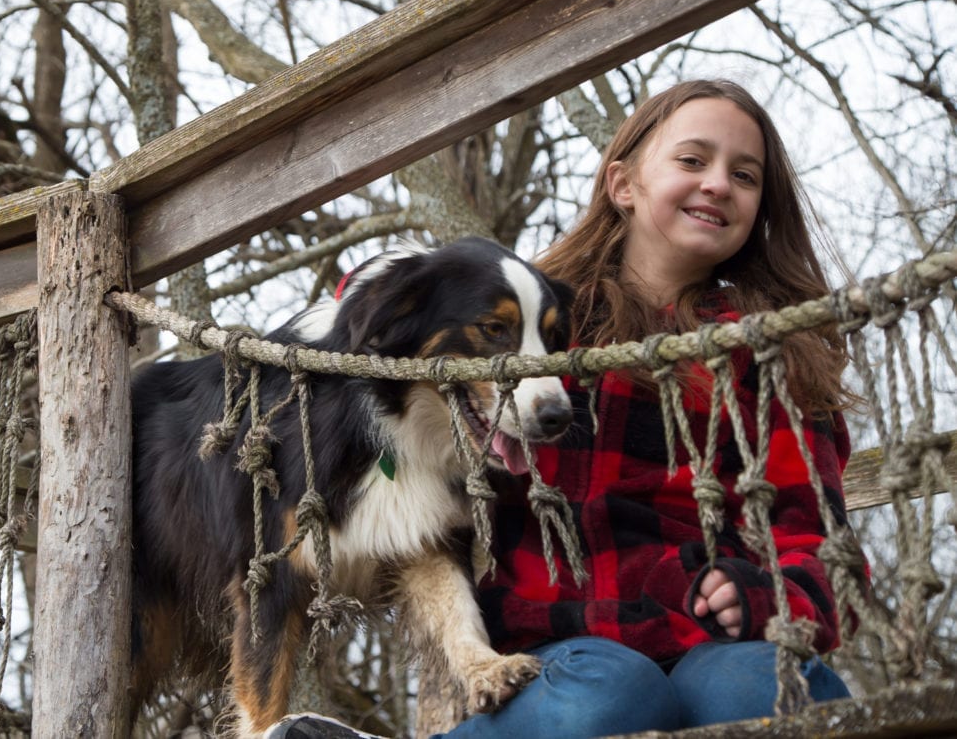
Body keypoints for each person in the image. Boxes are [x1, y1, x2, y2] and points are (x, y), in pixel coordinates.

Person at [268, 79, 861, 739]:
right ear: (623, 184)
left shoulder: (772, 354)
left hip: (716, 638)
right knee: (609, 696)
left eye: (745, 176)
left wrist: (764, 596)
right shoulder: (534, 317)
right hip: (565, 643)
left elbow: (818, 542)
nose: (719, 183)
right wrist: (389, 285)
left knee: (758, 691)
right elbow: (386, 332)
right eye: (693, 160)